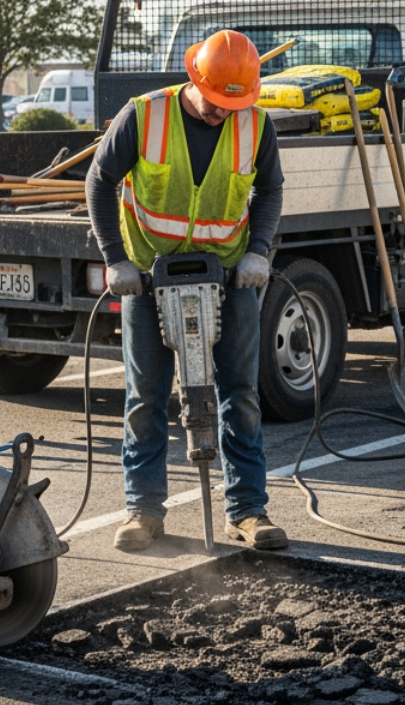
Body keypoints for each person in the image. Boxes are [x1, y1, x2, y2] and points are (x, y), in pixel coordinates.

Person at [85, 29, 287, 553]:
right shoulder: (144, 115)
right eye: (217, 102)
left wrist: (258, 251)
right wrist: (116, 261)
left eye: (234, 104)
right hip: (149, 275)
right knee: (144, 397)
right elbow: (100, 181)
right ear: (195, 78)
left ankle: (247, 511)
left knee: (239, 393)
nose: (224, 113)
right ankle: (144, 510)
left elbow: (270, 189)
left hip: (228, 272)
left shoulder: (255, 123)